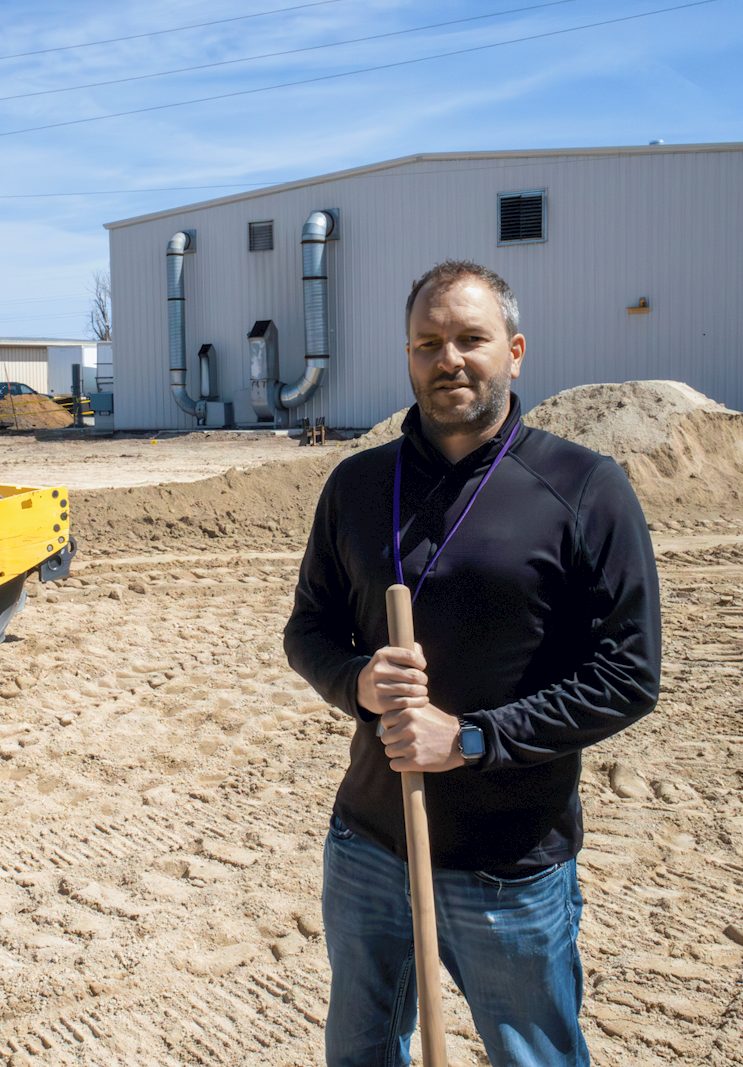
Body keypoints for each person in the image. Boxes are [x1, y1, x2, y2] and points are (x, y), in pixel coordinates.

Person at [283, 260, 661, 1067]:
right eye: (428, 343)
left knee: (535, 1057)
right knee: (360, 1050)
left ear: (514, 351)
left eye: (470, 339)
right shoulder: (356, 485)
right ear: (409, 357)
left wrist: (472, 738)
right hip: (370, 844)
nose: (448, 358)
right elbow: (307, 628)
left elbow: (628, 674)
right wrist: (354, 681)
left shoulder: (586, 488)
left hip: (508, 867)